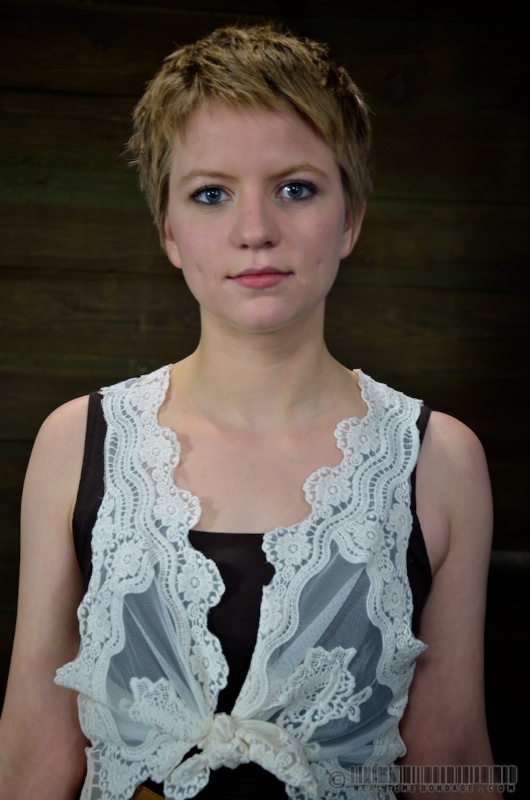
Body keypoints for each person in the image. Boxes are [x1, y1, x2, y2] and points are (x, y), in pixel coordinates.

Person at [0, 23, 503, 800]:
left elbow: (453, 755)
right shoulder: (78, 443)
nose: (256, 231)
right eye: (212, 194)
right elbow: (36, 753)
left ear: (351, 217)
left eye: (295, 188)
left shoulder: (440, 460)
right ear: (169, 230)